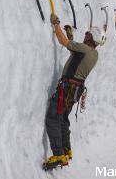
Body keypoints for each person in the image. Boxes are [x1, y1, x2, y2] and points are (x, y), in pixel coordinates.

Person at [43, 14, 106, 170]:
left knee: (53, 118)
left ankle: (58, 154)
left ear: (92, 39)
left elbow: (63, 42)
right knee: (63, 119)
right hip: (74, 91)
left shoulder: (85, 49)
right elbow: (75, 53)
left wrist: (55, 24)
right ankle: (66, 151)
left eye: (88, 34)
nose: (86, 35)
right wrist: (71, 36)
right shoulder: (93, 54)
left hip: (67, 89)